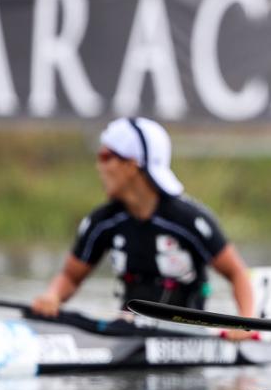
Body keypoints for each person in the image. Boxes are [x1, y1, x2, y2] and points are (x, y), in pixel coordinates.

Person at [31, 117, 257, 340]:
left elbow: (237, 273)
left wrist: (246, 322)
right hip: (129, 331)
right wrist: (52, 297)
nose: (98, 166)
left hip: (185, 334)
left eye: (106, 157)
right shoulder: (103, 222)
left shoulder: (189, 220)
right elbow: (71, 277)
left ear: (131, 165)